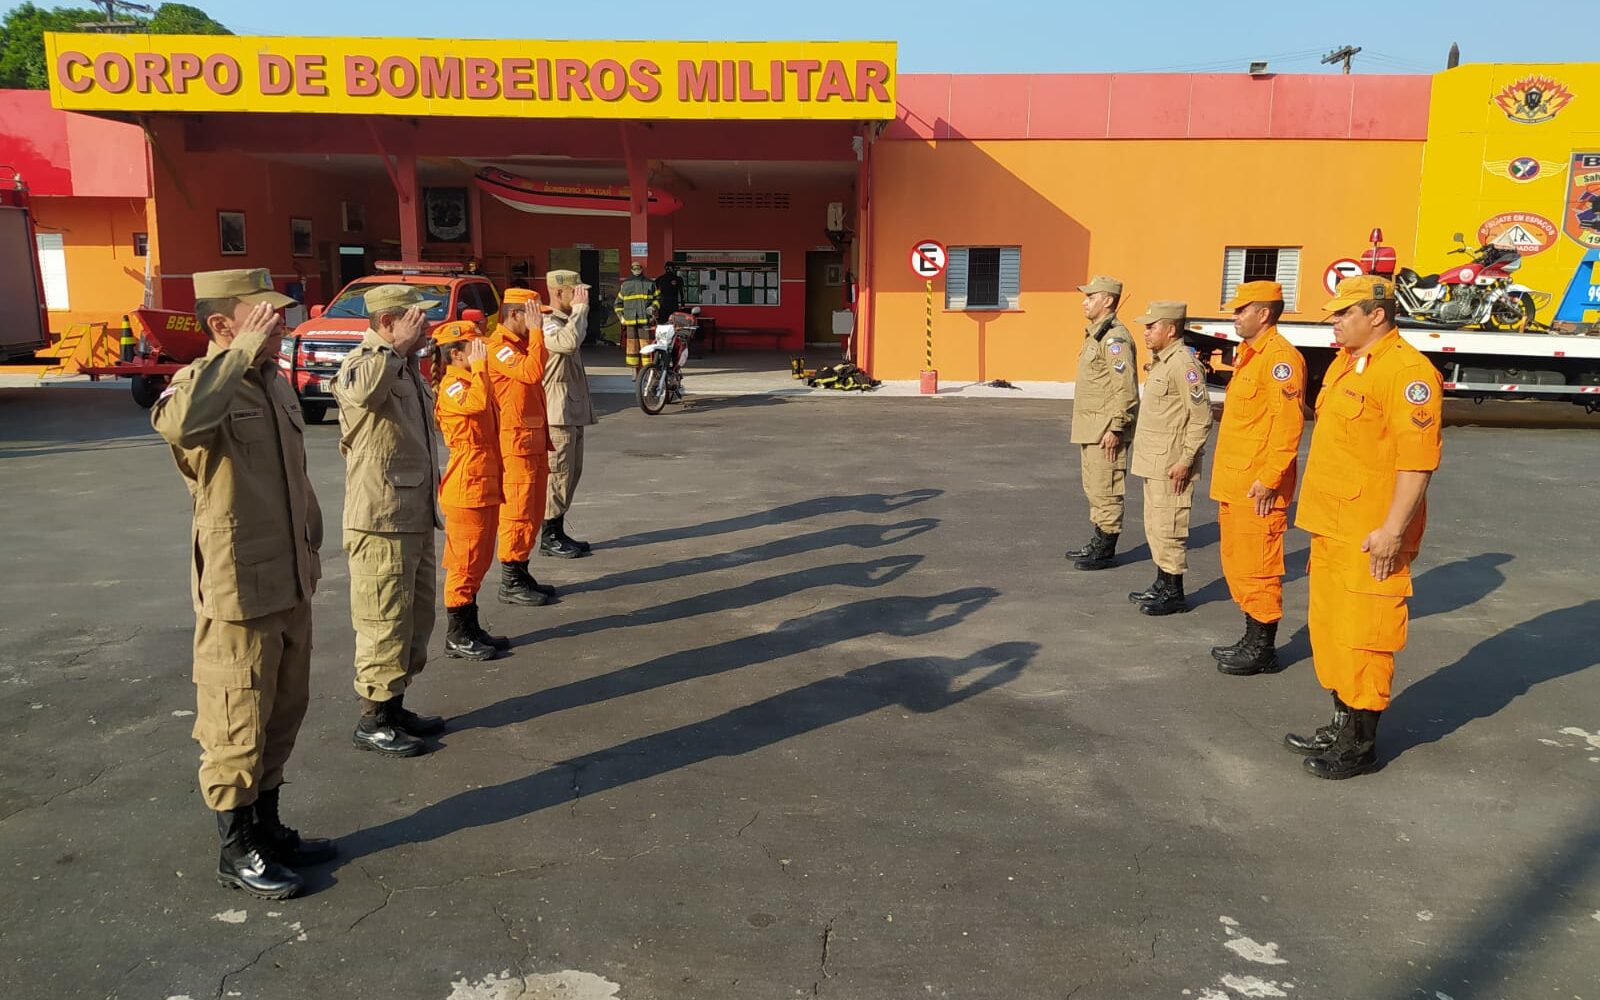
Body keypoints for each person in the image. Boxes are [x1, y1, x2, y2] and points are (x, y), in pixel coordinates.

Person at [151, 268, 332, 900]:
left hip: (290, 578)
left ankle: (268, 826)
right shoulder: (200, 386)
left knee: (283, 710)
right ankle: (236, 847)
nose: (278, 324)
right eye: (261, 316)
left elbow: (294, 479)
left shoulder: (273, 384)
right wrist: (237, 355)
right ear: (222, 325)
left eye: (277, 315)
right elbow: (179, 426)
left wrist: (311, 542)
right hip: (239, 588)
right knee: (237, 719)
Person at [1285, 275, 1442, 779]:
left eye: (1343, 314)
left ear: (1376, 315)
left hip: (1371, 534)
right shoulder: (1347, 364)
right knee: (1332, 632)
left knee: (1366, 635)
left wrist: (1393, 531)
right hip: (1332, 526)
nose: (1333, 322)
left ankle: (1360, 744)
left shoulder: (1407, 372)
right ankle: (1341, 722)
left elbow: (1417, 461)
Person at [332, 284, 447, 759]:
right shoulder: (362, 363)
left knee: (415, 619)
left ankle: (394, 706)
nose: (426, 326)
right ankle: (373, 719)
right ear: (387, 322)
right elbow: (360, 393)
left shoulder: (404, 365)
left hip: (413, 513)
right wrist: (395, 348)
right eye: (415, 319)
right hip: (381, 518)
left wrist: (410, 356)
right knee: (384, 618)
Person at [1209, 281, 1308, 674]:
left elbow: (1288, 426)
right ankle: (1251, 637)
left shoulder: (1280, 359)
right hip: (1236, 483)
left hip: (1257, 488)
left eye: (1241, 310)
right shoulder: (1250, 356)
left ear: (1263, 313)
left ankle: (1263, 649)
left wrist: (1269, 479)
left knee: (1259, 569)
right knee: (1239, 564)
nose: (1234, 316)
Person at [430, 319, 512, 661]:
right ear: (455, 354)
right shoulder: (453, 386)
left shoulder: (474, 379)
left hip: (485, 482)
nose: (482, 354)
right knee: (463, 563)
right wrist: (480, 369)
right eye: (474, 348)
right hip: (467, 486)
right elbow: (476, 405)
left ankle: (471, 626)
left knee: (479, 560)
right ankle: (457, 634)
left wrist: (480, 371)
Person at [1126, 301, 1214, 615]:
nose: (1146, 332)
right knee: (1156, 526)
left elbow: (1201, 417)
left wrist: (1186, 460)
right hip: (1155, 462)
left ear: (1171, 329)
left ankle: (1174, 593)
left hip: (1172, 465)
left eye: (1152, 327)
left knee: (1170, 528)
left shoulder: (1183, 365)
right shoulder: (1162, 362)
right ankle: (1162, 583)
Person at [486, 288, 558, 605]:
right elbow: (532, 372)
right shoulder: (499, 347)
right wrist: (538, 334)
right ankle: (511, 580)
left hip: (533, 443)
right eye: (533, 316)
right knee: (517, 512)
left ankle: (522, 569)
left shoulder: (521, 345)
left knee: (533, 510)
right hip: (515, 445)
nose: (537, 322)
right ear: (515, 314)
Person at [1065, 275, 1139, 570]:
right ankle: (1098, 539)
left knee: (1107, 487)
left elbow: (1126, 388)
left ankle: (1105, 549)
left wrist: (1116, 427)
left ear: (1107, 301)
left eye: (1091, 297)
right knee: (1095, 487)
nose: (1085, 303)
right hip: (1091, 428)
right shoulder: (1096, 335)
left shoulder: (1114, 340)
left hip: (1106, 430)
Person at [539, 269, 599, 559]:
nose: (580, 297)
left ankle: (558, 530)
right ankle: (549, 536)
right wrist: (579, 311)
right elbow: (568, 343)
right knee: (558, 474)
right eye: (575, 291)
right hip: (556, 413)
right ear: (558, 292)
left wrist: (577, 314)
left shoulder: (566, 321)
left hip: (572, 410)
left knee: (572, 473)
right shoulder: (547, 322)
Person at [616, 261, 661, 375]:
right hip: (630, 322)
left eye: (638, 268)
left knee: (647, 346)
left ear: (642, 269)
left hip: (646, 320)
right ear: (631, 270)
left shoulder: (650, 283)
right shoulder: (626, 285)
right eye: (634, 269)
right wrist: (621, 317)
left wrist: (653, 307)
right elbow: (618, 304)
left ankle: (648, 370)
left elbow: (658, 299)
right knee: (632, 347)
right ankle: (634, 371)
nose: (637, 270)